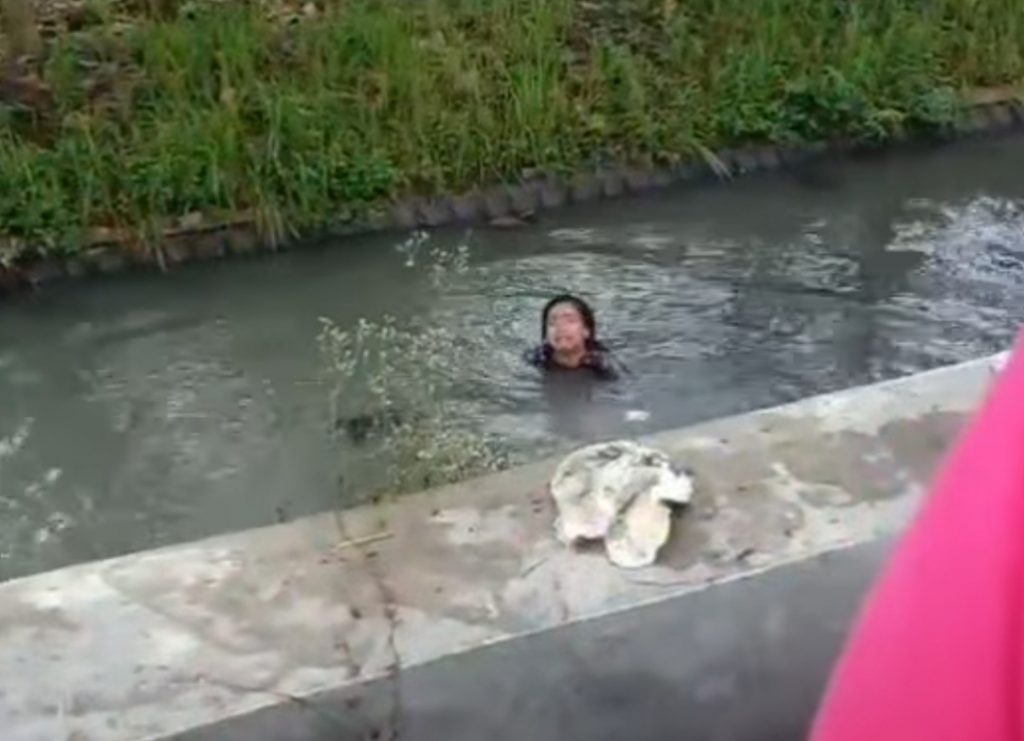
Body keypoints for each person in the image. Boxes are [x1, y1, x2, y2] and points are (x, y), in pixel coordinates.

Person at [526, 294, 622, 380]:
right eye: (552, 323)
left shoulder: (605, 364)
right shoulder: (537, 358)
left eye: (570, 321)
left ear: (586, 331)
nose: (560, 327)